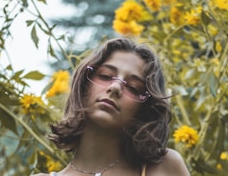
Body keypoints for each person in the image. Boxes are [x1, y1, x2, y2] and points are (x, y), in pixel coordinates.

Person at [34, 37, 190, 176]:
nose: (115, 87)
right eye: (105, 76)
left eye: (133, 87)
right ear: (83, 86)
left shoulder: (164, 167)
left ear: (144, 110)